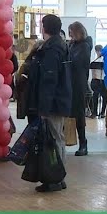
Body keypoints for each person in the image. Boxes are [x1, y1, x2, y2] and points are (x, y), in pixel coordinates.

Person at [27, 14, 72, 192]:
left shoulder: (52, 49)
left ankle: (55, 177)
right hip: (59, 100)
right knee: (57, 138)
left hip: (53, 102)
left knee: (53, 139)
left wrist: (44, 107)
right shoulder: (60, 46)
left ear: (44, 27)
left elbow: (49, 80)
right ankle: (58, 176)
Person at [68, 21, 92, 156]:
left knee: (79, 113)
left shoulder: (84, 46)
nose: (70, 34)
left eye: (71, 32)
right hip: (71, 82)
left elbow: (79, 63)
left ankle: (83, 143)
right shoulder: (73, 45)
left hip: (78, 84)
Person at [15, 39, 44, 124]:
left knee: (32, 124)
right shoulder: (36, 63)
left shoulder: (28, 62)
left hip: (28, 100)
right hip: (34, 99)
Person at [90, 44, 107, 119]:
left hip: (103, 80)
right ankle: (94, 112)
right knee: (95, 96)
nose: (99, 53)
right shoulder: (94, 60)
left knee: (104, 96)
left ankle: (103, 112)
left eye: (100, 51)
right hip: (96, 80)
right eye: (98, 51)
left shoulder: (105, 60)